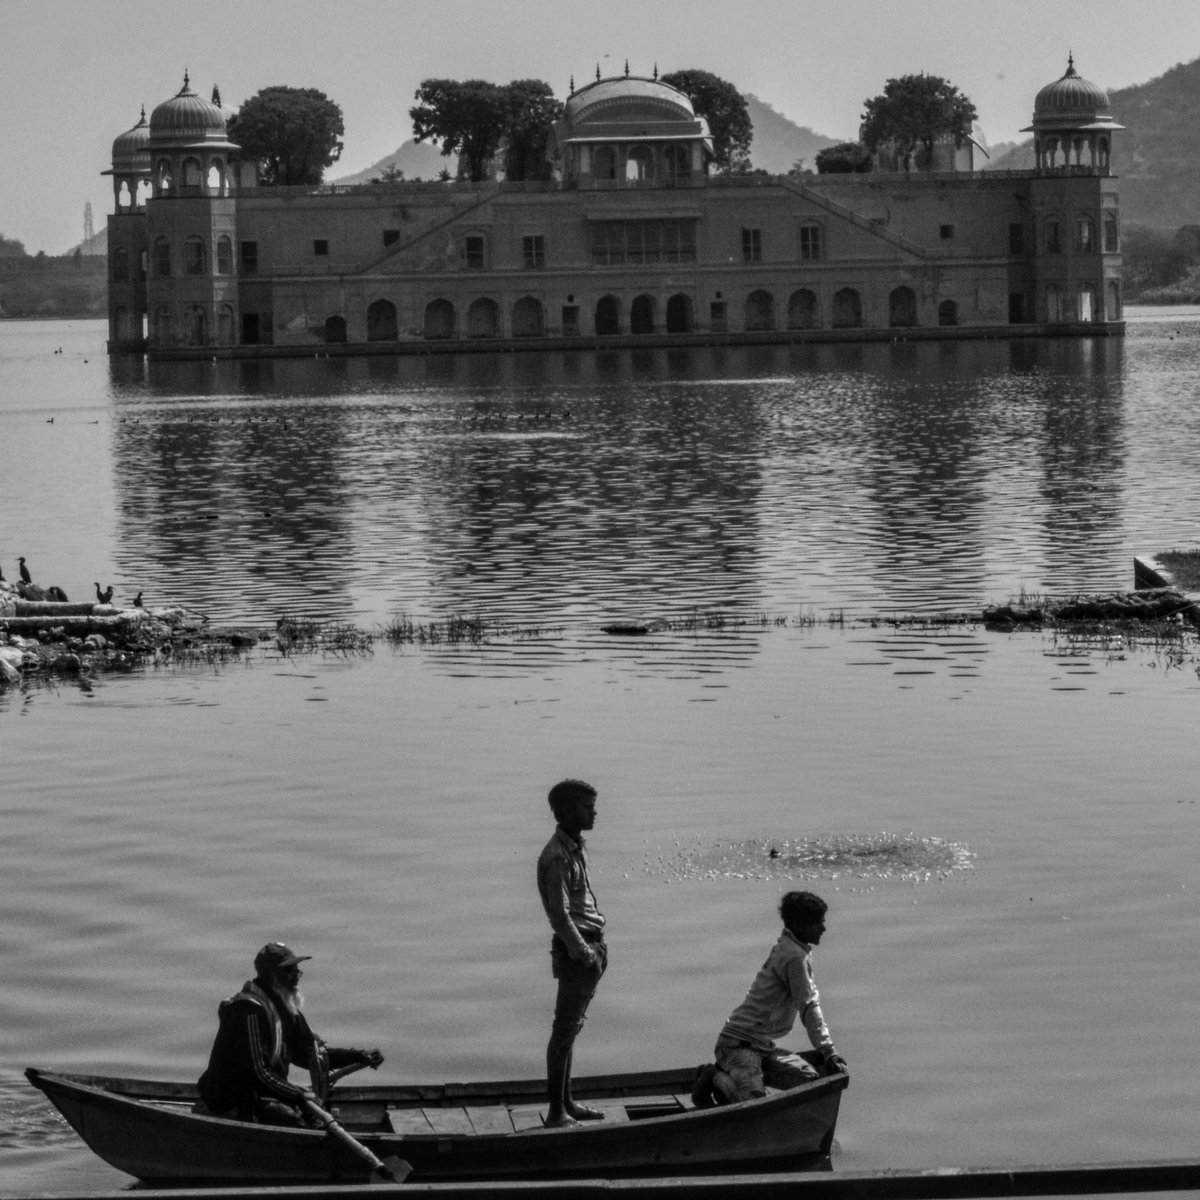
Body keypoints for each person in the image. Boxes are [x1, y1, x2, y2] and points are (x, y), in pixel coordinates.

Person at [196, 942, 383, 1126]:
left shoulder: (287, 1009)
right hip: (234, 1101)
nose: (296, 978)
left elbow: (311, 1055)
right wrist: (298, 1096)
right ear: (271, 976)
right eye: (289, 973)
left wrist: (359, 1056)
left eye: (297, 972)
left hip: (264, 1094)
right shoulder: (248, 1011)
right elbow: (258, 1074)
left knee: (315, 1118)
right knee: (294, 1122)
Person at [712, 891, 847, 1103]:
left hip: (762, 1046)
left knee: (809, 1079)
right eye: (817, 923)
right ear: (799, 924)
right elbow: (809, 1006)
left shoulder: (792, 947)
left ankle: (732, 1079)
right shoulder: (793, 956)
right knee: (751, 1101)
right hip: (739, 1044)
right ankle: (714, 1078)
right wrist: (829, 1051)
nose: (823, 928)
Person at [536, 778, 607, 1127]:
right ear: (564, 812)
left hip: (591, 946)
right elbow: (559, 916)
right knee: (563, 1032)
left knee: (572, 1029)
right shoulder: (557, 856)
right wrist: (583, 953)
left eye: (592, 806)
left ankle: (567, 1103)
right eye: (585, 807)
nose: (593, 812)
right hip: (578, 952)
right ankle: (555, 1113)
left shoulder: (576, 847)